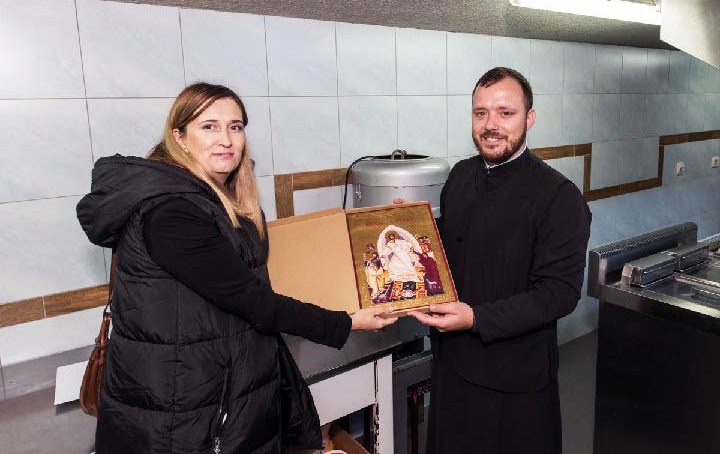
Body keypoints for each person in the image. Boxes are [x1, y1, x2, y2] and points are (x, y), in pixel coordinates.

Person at [76, 83, 397, 454]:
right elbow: (253, 301)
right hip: (183, 411)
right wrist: (347, 322)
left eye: (235, 127)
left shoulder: (215, 199)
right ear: (179, 137)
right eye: (209, 126)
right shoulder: (171, 212)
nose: (226, 139)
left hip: (213, 395)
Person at [406, 67, 591, 453]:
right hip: (452, 365)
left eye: (506, 113)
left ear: (529, 118)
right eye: (481, 113)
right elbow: (454, 246)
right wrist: (413, 230)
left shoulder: (559, 196)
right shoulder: (460, 175)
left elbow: (559, 294)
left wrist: (475, 318)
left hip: (514, 379)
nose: (491, 125)